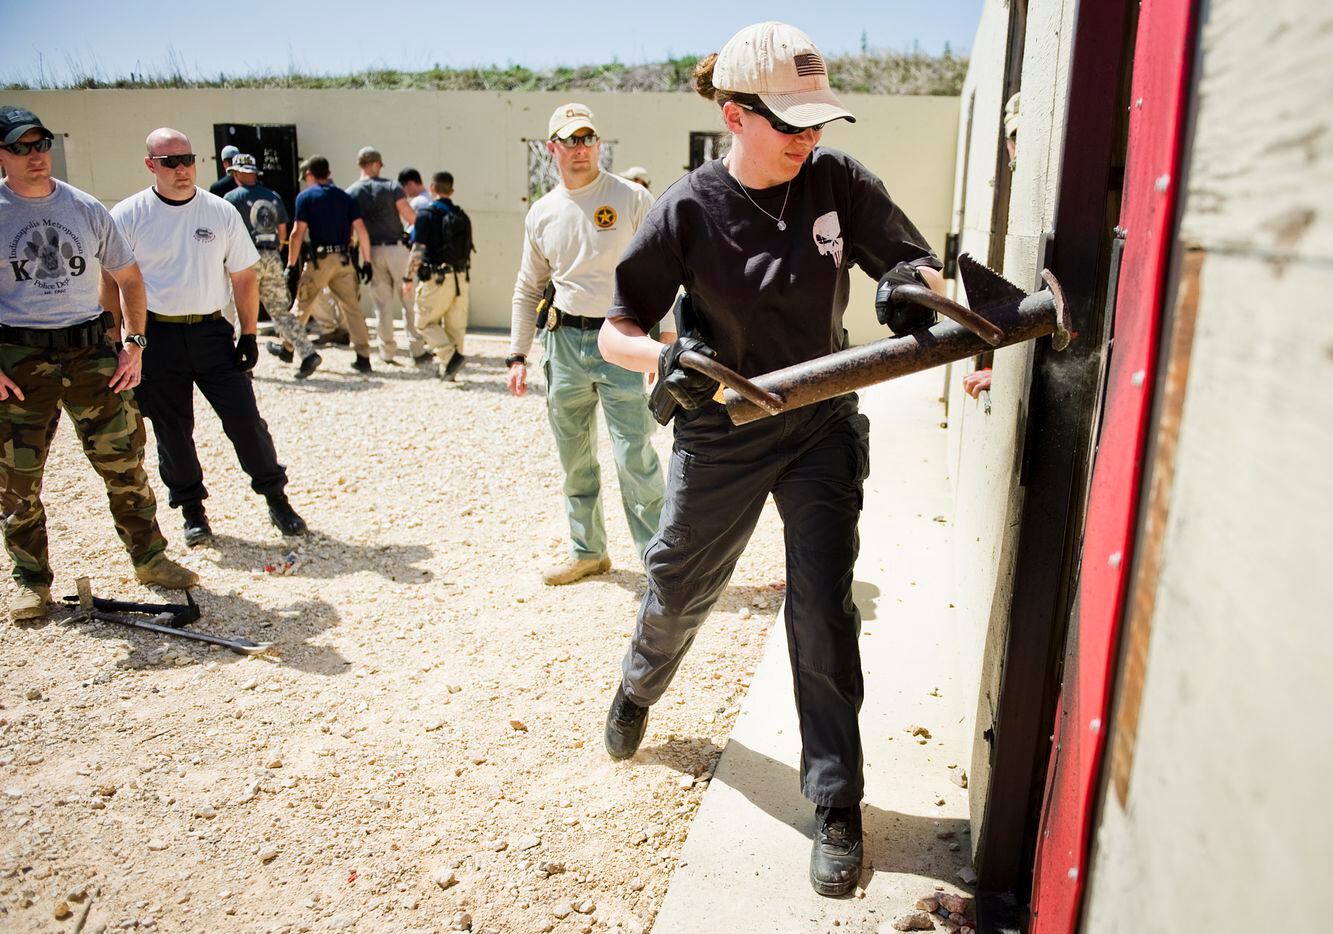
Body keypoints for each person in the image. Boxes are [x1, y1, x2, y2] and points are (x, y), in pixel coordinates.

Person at [595, 23, 946, 898]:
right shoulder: (686, 207)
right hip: (724, 427)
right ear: (734, 114)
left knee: (823, 608)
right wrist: (663, 359)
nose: (807, 138)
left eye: (814, 121)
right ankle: (640, 685)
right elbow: (616, 331)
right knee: (678, 583)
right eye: (787, 122)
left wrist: (912, 286)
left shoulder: (836, 182)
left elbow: (917, 263)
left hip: (819, 422)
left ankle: (835, 801)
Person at [0, 105, 197, 620]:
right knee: (17, 480)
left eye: (41, 144)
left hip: (91, 351)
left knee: (124, 462)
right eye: (21, 147)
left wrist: (134, 344)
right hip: (20, 355)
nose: (35, 156)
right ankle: (32, 583)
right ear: (3, 154)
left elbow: (130, 279)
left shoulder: (86, 208)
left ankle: (151, 559)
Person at [109, 127, 309, 547]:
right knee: (172, 428)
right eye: (170, 162)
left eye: (187, 159)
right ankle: (192, 510)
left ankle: (277, 498)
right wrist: (120, 340)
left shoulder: (219, 211)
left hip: (212, 333)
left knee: (245, 420)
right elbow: (111, 282)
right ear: (151, 165)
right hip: (156, 337)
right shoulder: (128, 215)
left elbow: (244, 276)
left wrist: (250, 334)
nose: (182, 169)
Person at [506, 103, 669, 587]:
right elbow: (527, 287)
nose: (579, 148)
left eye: (587, 138)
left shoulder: (631, 197)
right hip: (564, 344)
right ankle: (588, 552)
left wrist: (662, 345)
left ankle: (658, 563)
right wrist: (518, 353)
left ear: (599, 144)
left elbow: (664, 270)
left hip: (621, 339)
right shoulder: (542, 212)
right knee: (575, 459)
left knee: (634, 456)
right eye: (569, 140)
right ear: (552, 148)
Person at [223, 153, 321, 379]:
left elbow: (225, 232)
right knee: (279, 310)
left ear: (237, 173)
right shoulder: (273, 196)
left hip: (245, 258)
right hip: (272, 255)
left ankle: (244, 365)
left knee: (242, 311)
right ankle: (308, 352)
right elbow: (283, 229)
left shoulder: (231, 197)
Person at [285, 155, 375, 372]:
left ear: (309, 174)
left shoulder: (305, 198)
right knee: (352, 309)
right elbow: (361, 230)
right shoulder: (345, 197)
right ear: (329, 172)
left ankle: (287, 348)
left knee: (303, 304)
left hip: (320, 261)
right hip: (344, 260)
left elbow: (297, 234)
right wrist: (367, 261)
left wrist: (290, 264)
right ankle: (363, 357)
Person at [347, 147, 428, 365]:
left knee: (381, 305)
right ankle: (417, 349)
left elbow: (353, 229)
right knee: (408, 300)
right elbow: (411, 217)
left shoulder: (351, 192)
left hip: (370, 251)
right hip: (396, 249)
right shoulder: (392, 186)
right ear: (375, 164)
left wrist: (363, 258)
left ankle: (387, 352)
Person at [403, 171, 472, 380]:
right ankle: (448, 371)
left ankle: (450, 358)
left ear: (432, 188)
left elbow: (417, 250)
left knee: (423, 322)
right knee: (455, 327)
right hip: (461, 277)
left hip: (437, 278)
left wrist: (407, 278)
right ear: (451, 190)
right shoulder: (462, 216)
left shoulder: (426, 215)